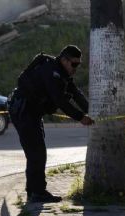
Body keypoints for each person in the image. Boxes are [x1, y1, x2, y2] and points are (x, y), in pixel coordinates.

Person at [9, 45, 94, 203]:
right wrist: (80, 117)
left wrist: (92, 111)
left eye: (78, 65)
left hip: (32, 112)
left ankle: (33, 191)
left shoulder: (63, 75)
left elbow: (76, 94)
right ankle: (37, 193)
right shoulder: (50, 71)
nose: (75, 68)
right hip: (23, 111)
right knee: (37, 153)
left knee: (36, 152)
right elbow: (60, 100)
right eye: (73, 64)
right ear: (64, 60)